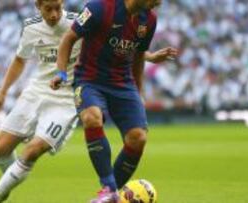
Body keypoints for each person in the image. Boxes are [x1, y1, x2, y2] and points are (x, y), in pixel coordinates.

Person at [50, 0, 177, 202]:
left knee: (138, 138)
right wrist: (62, 73)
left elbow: (137, 56)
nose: (160, 2)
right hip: (90, 79)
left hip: (123, 83)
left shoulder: (149, 19)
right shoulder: (99, 7)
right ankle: (109, 189)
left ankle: (111, 196)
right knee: (92, 117)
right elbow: (68, 38)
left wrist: (139, 92)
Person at [0, 0, 81, 202]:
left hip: (66, 97)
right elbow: (19, 59)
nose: (54, 14)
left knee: (33, 150)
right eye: (48, 9)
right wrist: (2, 92)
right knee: (0, 149)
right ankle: (7, 186)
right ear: (38, 6)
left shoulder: (78, 23)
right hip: (37, 90)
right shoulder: (31, 27)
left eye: (58, 8)